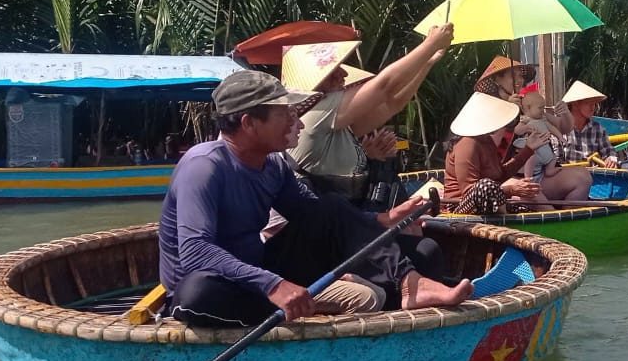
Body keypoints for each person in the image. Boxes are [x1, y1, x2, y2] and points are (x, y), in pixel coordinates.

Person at [159, 71, 470, 329]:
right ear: (248, 123)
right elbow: (195, 252)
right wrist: (273, 285)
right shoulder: (204, 166)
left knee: (403, 241)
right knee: (198, 294)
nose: (298, 122)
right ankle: (296, 307)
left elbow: (320, 217)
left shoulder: (274, 165)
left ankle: (408, 284)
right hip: (214, 286)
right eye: (284, 114)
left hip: (258, 273)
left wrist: (379, 221)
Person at [283, 25, 453, 206]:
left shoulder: (336, 122)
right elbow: (384, 87)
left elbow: (392, 103)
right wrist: (430, 44)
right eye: (334, 70)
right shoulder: (317, 113)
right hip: (332, 223)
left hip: (347, 215)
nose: (345, 74)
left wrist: (427, 62)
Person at [443, 92, 542, 214]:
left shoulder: (486, 141)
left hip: (488, 203)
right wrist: (511, 190)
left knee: (526, 209)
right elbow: (471, 190)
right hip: (460, 208)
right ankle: (504, 219)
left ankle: (507, 217)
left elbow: (499, 175)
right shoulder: (467, 143)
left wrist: (528, 149)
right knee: (486, 186)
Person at [558, 81, 621, 168]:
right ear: (575, 104)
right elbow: (556, 163)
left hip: (595, 176)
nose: (593, 107)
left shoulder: (598, 129)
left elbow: (609, 151)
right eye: (588, 103)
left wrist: (611, 159)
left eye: (594, 104)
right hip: (568, 177)